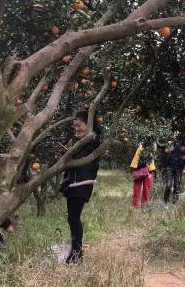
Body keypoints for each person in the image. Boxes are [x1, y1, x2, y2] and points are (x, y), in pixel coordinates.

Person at [61, 111, 100, 264]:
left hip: (81, 184)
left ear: (88, 125)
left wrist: (70, 153)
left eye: (79, 125)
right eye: (74, 126)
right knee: (73, 218)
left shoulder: (92, 141)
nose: (76, 129)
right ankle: (76, 252)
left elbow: (82, 158)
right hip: (73, 183)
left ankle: (77, 254)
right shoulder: (81, 141)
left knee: (73, 218)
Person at [129, 141, 154, 209]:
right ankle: (138, 205)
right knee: (139, 190)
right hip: (144, 171)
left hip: (144, 171)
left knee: (144, 190)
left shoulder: (146, 148)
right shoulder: (144, 148)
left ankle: (141, 205)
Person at [164, 139, 185, 203]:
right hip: (170, 167)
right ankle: (166, 200)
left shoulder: (184, 143)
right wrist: (169, 147)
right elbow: (166, 151)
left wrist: (184, 168)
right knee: (168, 185)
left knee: (177, 186)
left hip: (178, 169)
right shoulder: (171, 143)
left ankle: (174, 201)